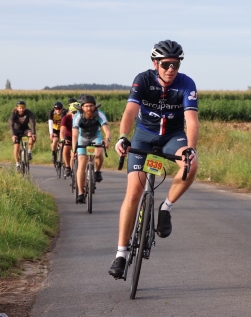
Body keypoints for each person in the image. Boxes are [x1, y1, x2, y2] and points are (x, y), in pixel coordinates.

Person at [108, 40, 199, 278]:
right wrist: (122, 137)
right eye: (166, 64)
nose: (171, 69)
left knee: (192, 164)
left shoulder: (186, 84)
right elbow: (130, 110)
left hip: (172, 137)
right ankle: (121, 254)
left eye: (176, 64)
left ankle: (166, 207)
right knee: (133, 193)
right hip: (144, 137)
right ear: (155, 63)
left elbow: (191, 119)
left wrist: (190, 148)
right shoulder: (143, 79)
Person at [72, 94, 111, 203]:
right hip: (82, 138)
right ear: (82, 107)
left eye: (91, 106)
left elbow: (107, 130)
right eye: (86, 106)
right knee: (82, 163)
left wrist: (107, 140)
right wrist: (74, 148)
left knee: (99, 153)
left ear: (95, 106)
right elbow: (75, 135)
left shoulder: (100, 114)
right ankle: (80, 192)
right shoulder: (78, 116)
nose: (89, 108)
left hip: (95, 136)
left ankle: (97, 171)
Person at [9, 100, 37, 168]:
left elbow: (32, 123)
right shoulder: (14, 113)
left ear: (25, 107)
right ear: (17, 108)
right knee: (16, 147)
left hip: (25, 129)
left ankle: (29, 152)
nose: (21, 109)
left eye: (23, 108)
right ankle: (17, 163)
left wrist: (33, 133)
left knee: (31, 134)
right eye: (20, 108)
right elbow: (11, 124)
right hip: (16, 131)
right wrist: (13, 135)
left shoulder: (28, 112)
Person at [60, 101, 79, 177]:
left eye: (77, 112)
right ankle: (67, 166)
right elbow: (62, 131)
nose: (75, 114)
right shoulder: (66, 118)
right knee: (66, 147)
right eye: (74, 112)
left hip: (80, 136)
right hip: (69, 135)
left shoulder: (82, 118)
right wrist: (62, 139)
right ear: (70, 111)